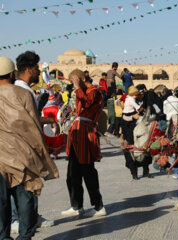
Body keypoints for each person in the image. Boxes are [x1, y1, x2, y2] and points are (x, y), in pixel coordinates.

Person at [0, 56, 59, 240]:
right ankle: (24, 237)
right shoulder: (23, 94)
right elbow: (33, 127)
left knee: (1, 205)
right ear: (12, 73)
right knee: (26, 202)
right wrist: (42, 156)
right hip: (22, 158)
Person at [61, 69, 106, 217]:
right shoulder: (83, 91)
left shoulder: (94, 91)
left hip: (85, 134)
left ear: (79, 79)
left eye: (73, 81)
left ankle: (99, 206)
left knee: (88, 170)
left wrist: (77, 87)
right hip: (77, 133)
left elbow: (87, 103)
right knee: (72, 172)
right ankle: (76, 205)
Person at [122, 86, 153, 180]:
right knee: (131, 151)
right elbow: (124, 117)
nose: (140, 96)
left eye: (141, 94)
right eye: (138, 94)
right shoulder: (131, 101)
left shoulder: (144, 102)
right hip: (130, 131)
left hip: (141, 133)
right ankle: (134, 173)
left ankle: (146, 172)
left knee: (145, 151)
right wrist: (132, 117)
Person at [42, 92, 66, 160]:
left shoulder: (44, 109)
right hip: (56, 126)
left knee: (48, 140)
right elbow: (59, 118)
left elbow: (42, 117)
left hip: (46, 127)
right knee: (56, 141)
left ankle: (48, 155)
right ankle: (56, 155)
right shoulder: (58, 108)